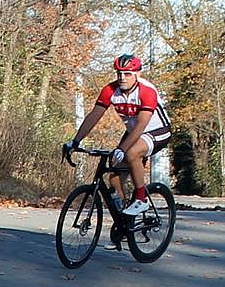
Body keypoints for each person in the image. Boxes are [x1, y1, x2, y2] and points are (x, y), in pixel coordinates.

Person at [64, 54, 172, 217]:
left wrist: (122, 148)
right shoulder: (110, 90)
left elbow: (142, 124)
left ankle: (141, 199)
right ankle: (123, 221)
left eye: (127, 73)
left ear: (138, 74)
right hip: (133, 132)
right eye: (119, 73)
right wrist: (75, 141)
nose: (122, 77)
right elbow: (94, 116)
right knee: (114, 175)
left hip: (157, 130)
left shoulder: (147, 91)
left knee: (131, 153)